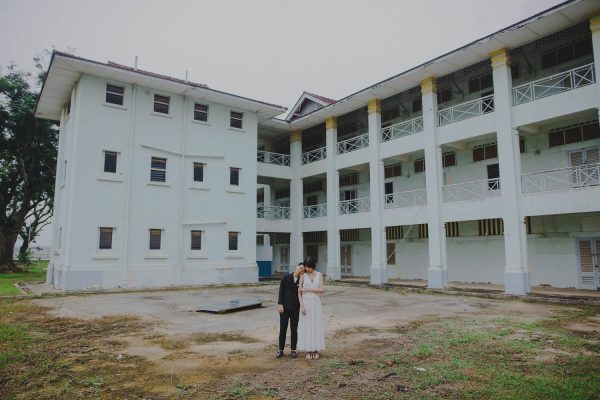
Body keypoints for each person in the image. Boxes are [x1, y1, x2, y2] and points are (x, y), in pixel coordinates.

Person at [297, 257, 325, 359]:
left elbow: (322, 289)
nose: (307, 269)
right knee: (307, 325)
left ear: (313, 266)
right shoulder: (303, 275)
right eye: (306, 267)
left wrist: (308, 289)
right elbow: (299, 291)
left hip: (316, 302)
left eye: (309, 267)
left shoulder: (319, 275)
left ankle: (316, 349)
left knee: (316, 324)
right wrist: (302, 306)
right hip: (306, 302)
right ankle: (308, 350)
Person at [276, 262, 305, 358]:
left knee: (294, 329)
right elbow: (281, 292)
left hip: (295, 309)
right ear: (296, 267)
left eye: (303, 270)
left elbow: (302, 294)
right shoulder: (286, 278)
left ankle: (293, 350)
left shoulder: (302, 281)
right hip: (284, 308)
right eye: (300, 268)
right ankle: (280, 350)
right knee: (283, 329)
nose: (301, 270)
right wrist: (280, 304)